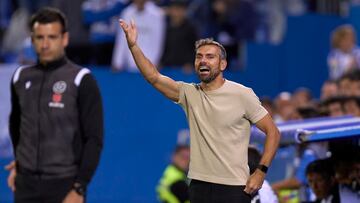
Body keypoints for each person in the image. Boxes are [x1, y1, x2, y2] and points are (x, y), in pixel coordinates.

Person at [118, 19, 280, 203]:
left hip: (234, 188)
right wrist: (133, 46)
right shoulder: (189, 93)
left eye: (210, 56)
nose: (203, 60)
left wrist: (261, 171)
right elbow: (153, 77)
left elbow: (273, 132)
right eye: (199, 56)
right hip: (198, 187)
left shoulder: (242, 94)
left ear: (222, 65)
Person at [5, 7, 104, 203]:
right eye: (40, 37)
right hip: (25, 187)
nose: (45, 44)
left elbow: (94, 139)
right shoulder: (20, 77)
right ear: (32, 40)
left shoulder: (80, 79)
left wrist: (79, 186)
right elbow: (16, 124)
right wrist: (19, 163)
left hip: (64, 186)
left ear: (64, 39)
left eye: (52, 37)